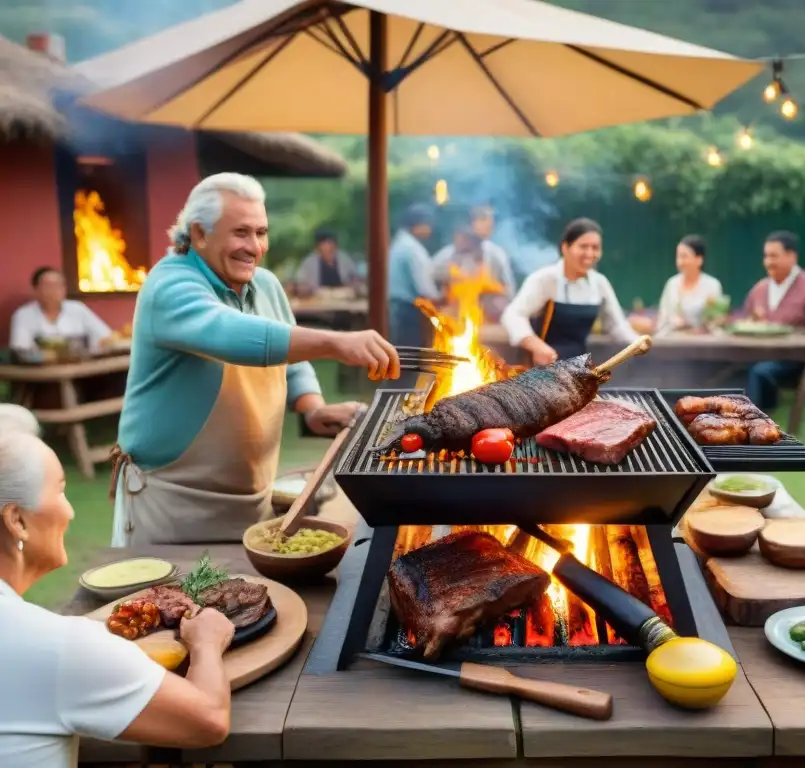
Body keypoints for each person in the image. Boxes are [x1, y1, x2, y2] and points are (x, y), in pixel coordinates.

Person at [110, 173, 399, 547]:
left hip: (252, 506)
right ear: (199, 234)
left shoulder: (266, 286)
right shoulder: (169, 286)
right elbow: (231, 335)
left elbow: (292, 361)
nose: (255, 246)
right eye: (241, 233)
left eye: (261, 232)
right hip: (171, 505)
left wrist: (313, 408)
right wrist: (336, 343)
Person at [0, 409, 239, 766]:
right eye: (61, 491)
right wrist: (206, 643)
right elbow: (208, 720)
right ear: (17, 520)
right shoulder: (58, 648)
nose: (70, 512)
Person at [501, 218, 638, 366]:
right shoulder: (546, 279)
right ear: (565, 248)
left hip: (576, 370)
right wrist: (536, 346)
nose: (590, 254)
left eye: (595, 248)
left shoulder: (599, 283)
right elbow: (513, 315)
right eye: (583, 247)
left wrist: (638, 344)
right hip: (540, 371)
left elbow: (616, 325)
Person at [740, 231, 805, 411]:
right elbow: (742, 318)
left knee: (760, 372)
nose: (768, 261)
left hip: (794, 360)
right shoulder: (760, 288)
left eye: (774, 256)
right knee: (731, 370)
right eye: (766, 256)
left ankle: (754, 422)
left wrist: (800, 335)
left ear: (791, 256)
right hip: (757, 355)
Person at [9, 267, 112, 355]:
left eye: (59, 285)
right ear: (36, 290)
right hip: (42, 373)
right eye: (48, 286)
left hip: (81, 369)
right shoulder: (24, 315)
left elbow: (106, 337)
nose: (54, 290)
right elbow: (20, 350)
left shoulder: (77, 309)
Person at [432, 223, 513, 322]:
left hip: (483, 317)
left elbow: (505, 292)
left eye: (466, 241)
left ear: (476, 243)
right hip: (453, 316)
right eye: (458, 241)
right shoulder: (443, 259)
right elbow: (432, 287)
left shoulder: (493, 259)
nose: (462, 245)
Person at [388, 203, 440, 350]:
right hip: (406, 310)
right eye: (427, 225)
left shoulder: (400, 243)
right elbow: (426, 290)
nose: (429, 230)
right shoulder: (411, 249)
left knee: (399, 354)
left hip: (396, 308)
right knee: (408, 355)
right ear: (416, 226)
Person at [654, 235, 724, 334]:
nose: (680, 262)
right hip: (673, 341)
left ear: (699, 260)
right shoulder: (672, 284)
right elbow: (662, 321)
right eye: (678, 257)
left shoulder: (712, 285)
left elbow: (717, 322)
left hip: (703, 344)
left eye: (684, 257)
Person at [293, 227, 359, 294]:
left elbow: (354, 277)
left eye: (330, 243)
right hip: (317, 297)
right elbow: (300, 283)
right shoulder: (309, 262)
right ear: (317, 246)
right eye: (323, 244)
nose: (327, 247)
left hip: (343, 295)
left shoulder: (344, 259)